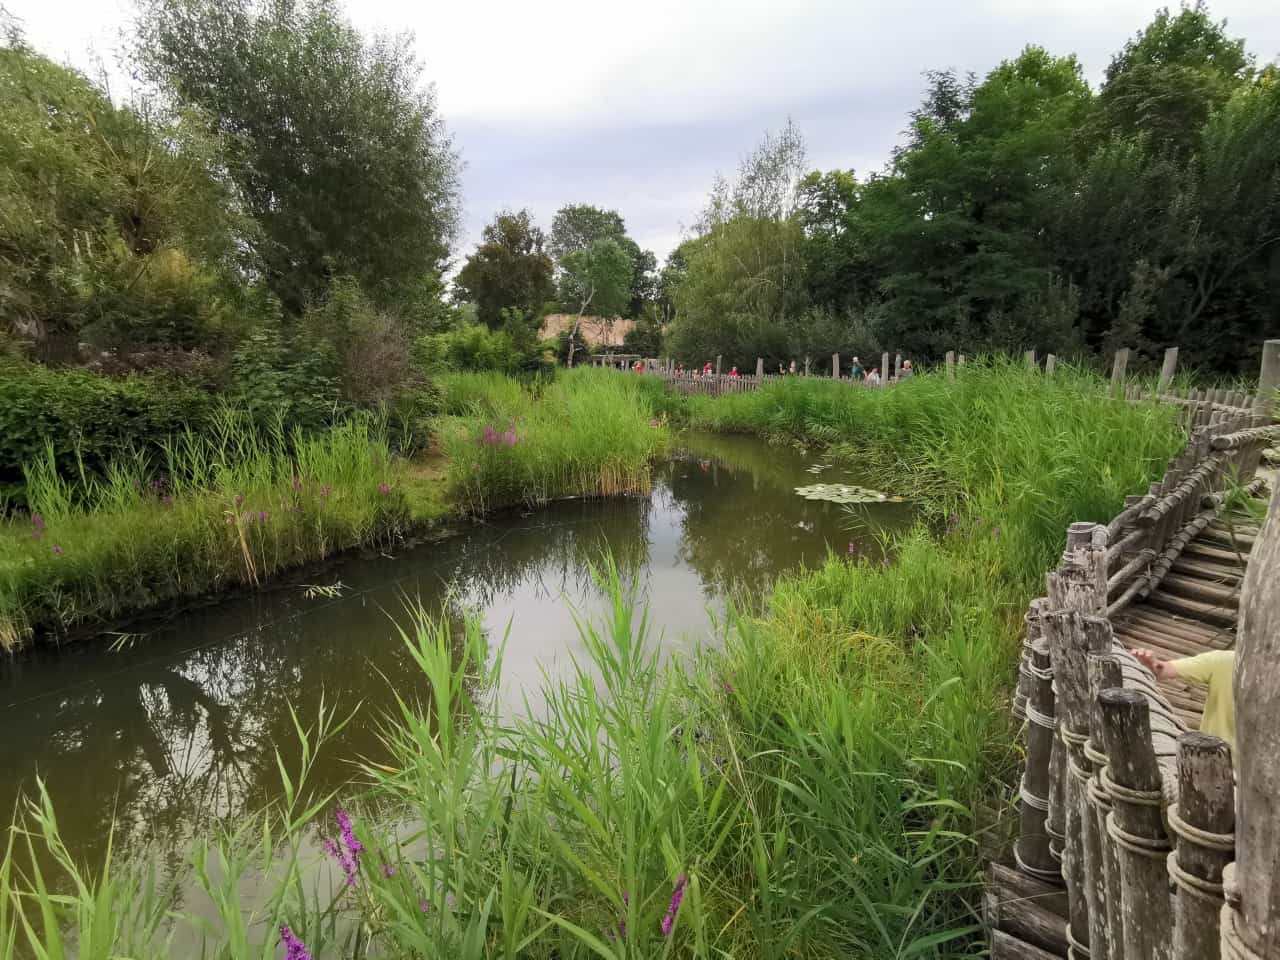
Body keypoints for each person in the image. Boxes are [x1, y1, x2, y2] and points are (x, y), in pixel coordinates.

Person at [1132, 648, 1235, 751]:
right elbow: (1162, 669)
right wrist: (1149, 666)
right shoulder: (1225, 660)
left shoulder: (1226, 660)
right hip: (1207, 757)